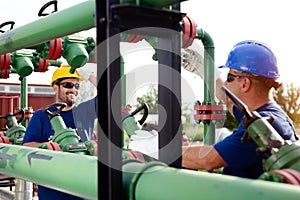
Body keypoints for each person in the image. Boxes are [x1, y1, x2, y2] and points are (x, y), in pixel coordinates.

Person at [182, 40, 297, 179]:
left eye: (230, 77)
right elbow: (228, 100)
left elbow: (207, 159)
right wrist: (205, 70)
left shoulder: (266, 125)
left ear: (244, 84)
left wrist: (160, 152)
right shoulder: (268, 114)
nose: (225, 83)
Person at [22, 64, 97, 200]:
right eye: (68, 85)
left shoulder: (85, 111)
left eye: (77, 86)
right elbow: (26, 147)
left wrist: (91, 76)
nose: (73, 89)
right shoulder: (41, 116)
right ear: (55, 87)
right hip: (52, 191)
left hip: (83, 189)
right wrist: (52, 147)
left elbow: (112, 96)